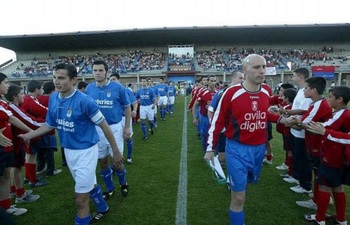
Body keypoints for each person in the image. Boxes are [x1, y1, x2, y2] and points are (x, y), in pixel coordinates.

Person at [19, 63, 124, 225]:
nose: (56, 81)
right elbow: (50, 124)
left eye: (61, 78)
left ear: (74, 80)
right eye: (54, 77)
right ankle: (103, 207)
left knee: (81, 199)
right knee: (89, 184)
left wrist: (116, 151)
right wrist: (29, 135)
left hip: (86, 152)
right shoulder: (53, 97)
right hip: (68, 151)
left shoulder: (85, 101)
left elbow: (104, 126)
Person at [204, 54, 282, 225]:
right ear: (245, 69)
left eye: (263, 66)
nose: (262, 71)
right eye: (256, 67)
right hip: (237, 149)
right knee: (238, 198)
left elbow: (262, 114)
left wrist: (281, 119)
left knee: (245, 187)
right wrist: (210, 148)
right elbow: (217, 120)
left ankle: (237, 186)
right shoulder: (231, 92)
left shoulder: (266, 91)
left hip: (258, 149)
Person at [303, 86, 350, 225]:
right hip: (338, 157)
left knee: (324, 186)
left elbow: (325, 128)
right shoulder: (341, 112)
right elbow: (327, 125)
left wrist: (323, 131)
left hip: (332, 157)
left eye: (330, 97)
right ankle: (341, 219)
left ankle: (319, 219)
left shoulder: (344, 114)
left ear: (340, 99)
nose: (328, 99)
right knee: (337, 187)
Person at [85, 61, 131, 200]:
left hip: (114, 128)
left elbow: (127, 107)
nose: (97, 73)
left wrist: (127, 127)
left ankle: (123, 183)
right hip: (96, 130)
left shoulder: (118, 88)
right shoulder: (89, 89)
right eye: (95, 70)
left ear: (106, 72)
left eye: (100, 70)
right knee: (102, 161)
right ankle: (110, 188)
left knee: (117, 162)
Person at [0, 73, 33, 216]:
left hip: (7, 145)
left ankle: (6, 207)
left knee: (5, 175)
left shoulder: (2, 102)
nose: (8, 85)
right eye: (5, 82)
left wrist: (30, 131)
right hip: (2, 146)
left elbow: (11, 118)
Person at [5, 85, 41, 204]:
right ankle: (20, 195)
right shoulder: (12, 107)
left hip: (16, 141)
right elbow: (28, 120)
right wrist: (48, 125)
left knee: (15, 167)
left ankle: (14, 190)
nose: (23, 96)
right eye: (21, 93)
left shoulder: (13, 106)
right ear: (15, 96)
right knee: (17, 168)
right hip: (15, 142)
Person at [280, 68, 313, 194]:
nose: (292, 78)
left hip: (301, 131)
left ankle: (305, 185)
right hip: (295, 129)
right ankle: (297, 178)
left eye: (294, 76)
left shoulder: (307, 92)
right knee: (297, 156)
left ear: (300, 76)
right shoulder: (300, 91)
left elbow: (304, 110)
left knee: (303, 159)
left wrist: (287, 112)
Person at [207, 71, 244, 163]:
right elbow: (211, 110)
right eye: (240, 78)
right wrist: (215, 124)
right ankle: (222, 170)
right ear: (233, 79)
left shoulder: (244, 92)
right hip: (224, 129)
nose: (243, 80)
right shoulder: (221, 93)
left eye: (244, 78)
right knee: (222, 154)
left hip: (239, 129)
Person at [20, 80, 48, 187]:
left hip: (29, 130)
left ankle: (28, 177)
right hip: (32, 131)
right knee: (31, 155)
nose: (42, 90)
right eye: (41, 88)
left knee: (30, 155)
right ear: (37, 89)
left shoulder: (29, 99)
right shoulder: (30, 100)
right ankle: (33, 180)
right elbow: (43, 110)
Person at [109, 73, 138, 164]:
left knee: (128, 138)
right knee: (114, 140)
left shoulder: (126, 91)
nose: (112, 81)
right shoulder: (110, 92)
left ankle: (129, 157)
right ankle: (115, 161)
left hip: (125, 117)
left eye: (114, 79)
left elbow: (134, 102)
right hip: (114, 120)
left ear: (118, 80)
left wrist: (135, 111)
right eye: (111, 80)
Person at [36, 81, 62, 176]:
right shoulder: (52, 99)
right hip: (48, 128)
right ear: (53, 89)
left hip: (38, 128)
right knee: (49, 150)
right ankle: (51, 170)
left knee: (40, 149)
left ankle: (40, 167)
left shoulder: (37, 98)